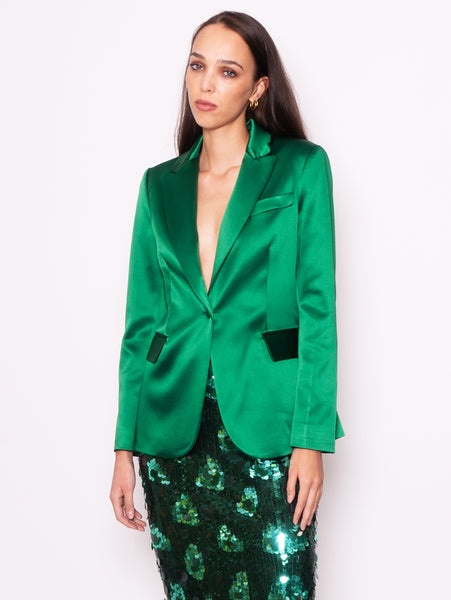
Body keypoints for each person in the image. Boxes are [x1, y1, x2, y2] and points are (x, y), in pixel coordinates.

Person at [110, 10, 345, 600]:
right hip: (171, 432)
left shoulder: (301, 167)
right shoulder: (158, 185)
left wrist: (311, 439)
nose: (206, 84)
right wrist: (123, 447)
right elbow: (143, 324)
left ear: (258, 88)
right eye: (197, 66)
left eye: (227, 71)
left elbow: (318, 311)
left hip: (268, 425)